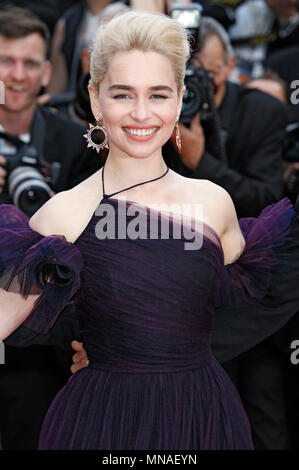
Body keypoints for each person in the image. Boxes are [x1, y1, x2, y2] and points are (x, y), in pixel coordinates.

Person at [0, 11, 296, 450]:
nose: (141, 113)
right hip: (103, 421)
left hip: (203, 416)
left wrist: (158, 346)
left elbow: (248, 305)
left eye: (158, 94)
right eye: (122, 94)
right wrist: (98, 337)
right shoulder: (62, 215)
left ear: (179, 99)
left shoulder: (214, 204)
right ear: (96, 100)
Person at [0, 6, 100, 450]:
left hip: (47, 344)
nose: (16, 75)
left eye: (28, 63)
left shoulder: (77, 141)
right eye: (4, 61)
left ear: (46, 72)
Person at [163, 16, 286, 218]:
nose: (191, 88)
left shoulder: (262, 112)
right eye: (183, 76)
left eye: (208, 75)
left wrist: (200, 161)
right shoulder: (150, 110)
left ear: (230, 66)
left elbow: (267, 201)